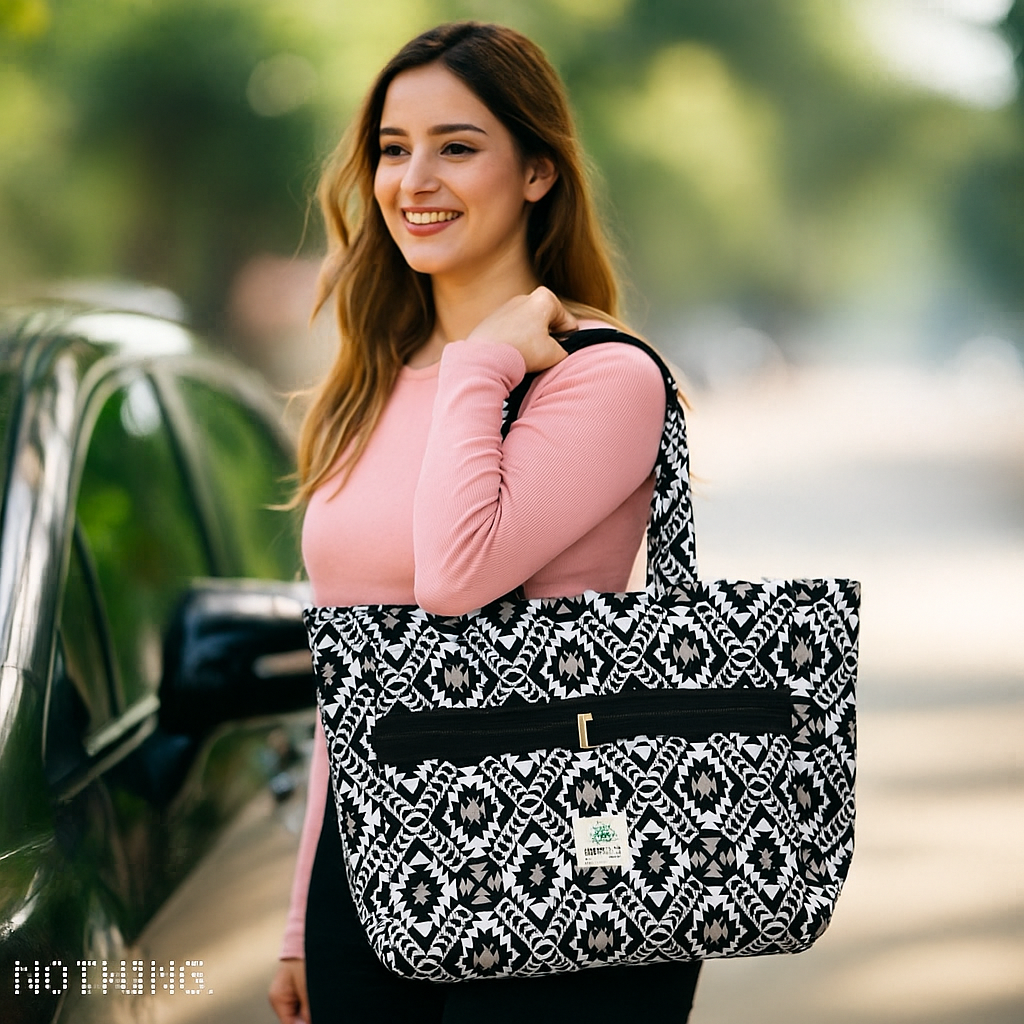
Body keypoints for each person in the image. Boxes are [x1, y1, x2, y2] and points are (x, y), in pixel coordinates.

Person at [268, 21, 701, 1024]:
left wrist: (481, 362)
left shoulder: (602, 377)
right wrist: (299, 921)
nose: (414, 179)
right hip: (365, 873)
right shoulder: (369, 384)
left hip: (559, 865)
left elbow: (454, 579)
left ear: (538, 172)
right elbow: (350, 682)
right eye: (393, 148)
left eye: (456, 147)